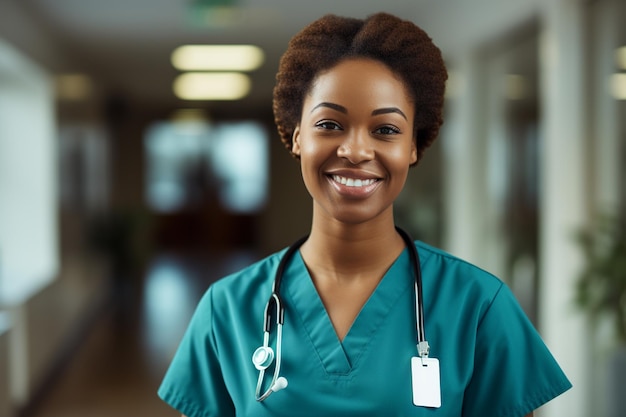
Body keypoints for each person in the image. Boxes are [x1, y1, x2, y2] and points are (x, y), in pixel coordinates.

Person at [158, 12, 572, 417]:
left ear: (413, 145)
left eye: (386, 130)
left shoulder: (479, 308)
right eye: (330, 124)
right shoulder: (227, 310)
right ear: (298, 134)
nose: (355, 150)